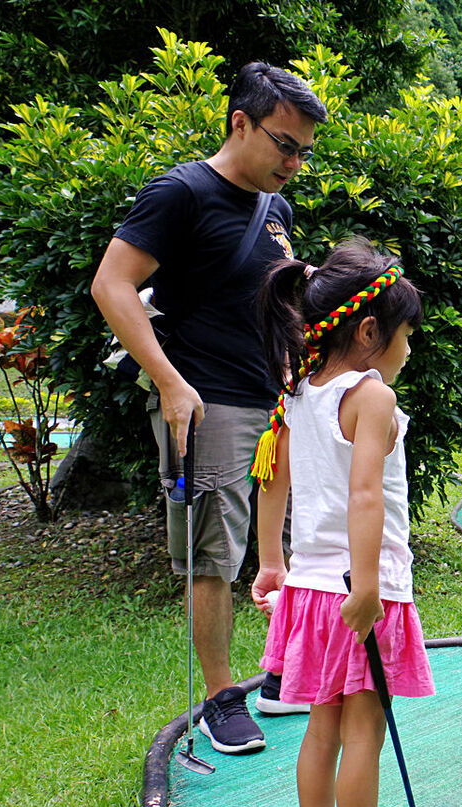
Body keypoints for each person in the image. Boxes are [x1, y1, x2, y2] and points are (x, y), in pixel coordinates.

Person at [91, 62, 328, 753]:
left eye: (304, 152)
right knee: (212, 554)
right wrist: (167, 381)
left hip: (274, 400)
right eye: (285, 144)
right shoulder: (182, 192)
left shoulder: (275, 207)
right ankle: (223, 696)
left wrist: (293, 362)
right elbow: (113, 285)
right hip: (208, 401)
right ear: (240, 123)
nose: (294, 162)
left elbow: (277, 298)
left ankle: (279, 671)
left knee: (290, 541)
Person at [249, 241, 435, 807]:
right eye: (406, 334)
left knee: (321, 731)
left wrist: (273, 561)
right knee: (364, 734)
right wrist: (367, 589)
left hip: (309, 587)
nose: (408, 349)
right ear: (368, 333)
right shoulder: (371, 394)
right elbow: (366, 498)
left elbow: (271, 475)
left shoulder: (299, 391)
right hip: (361, 589)